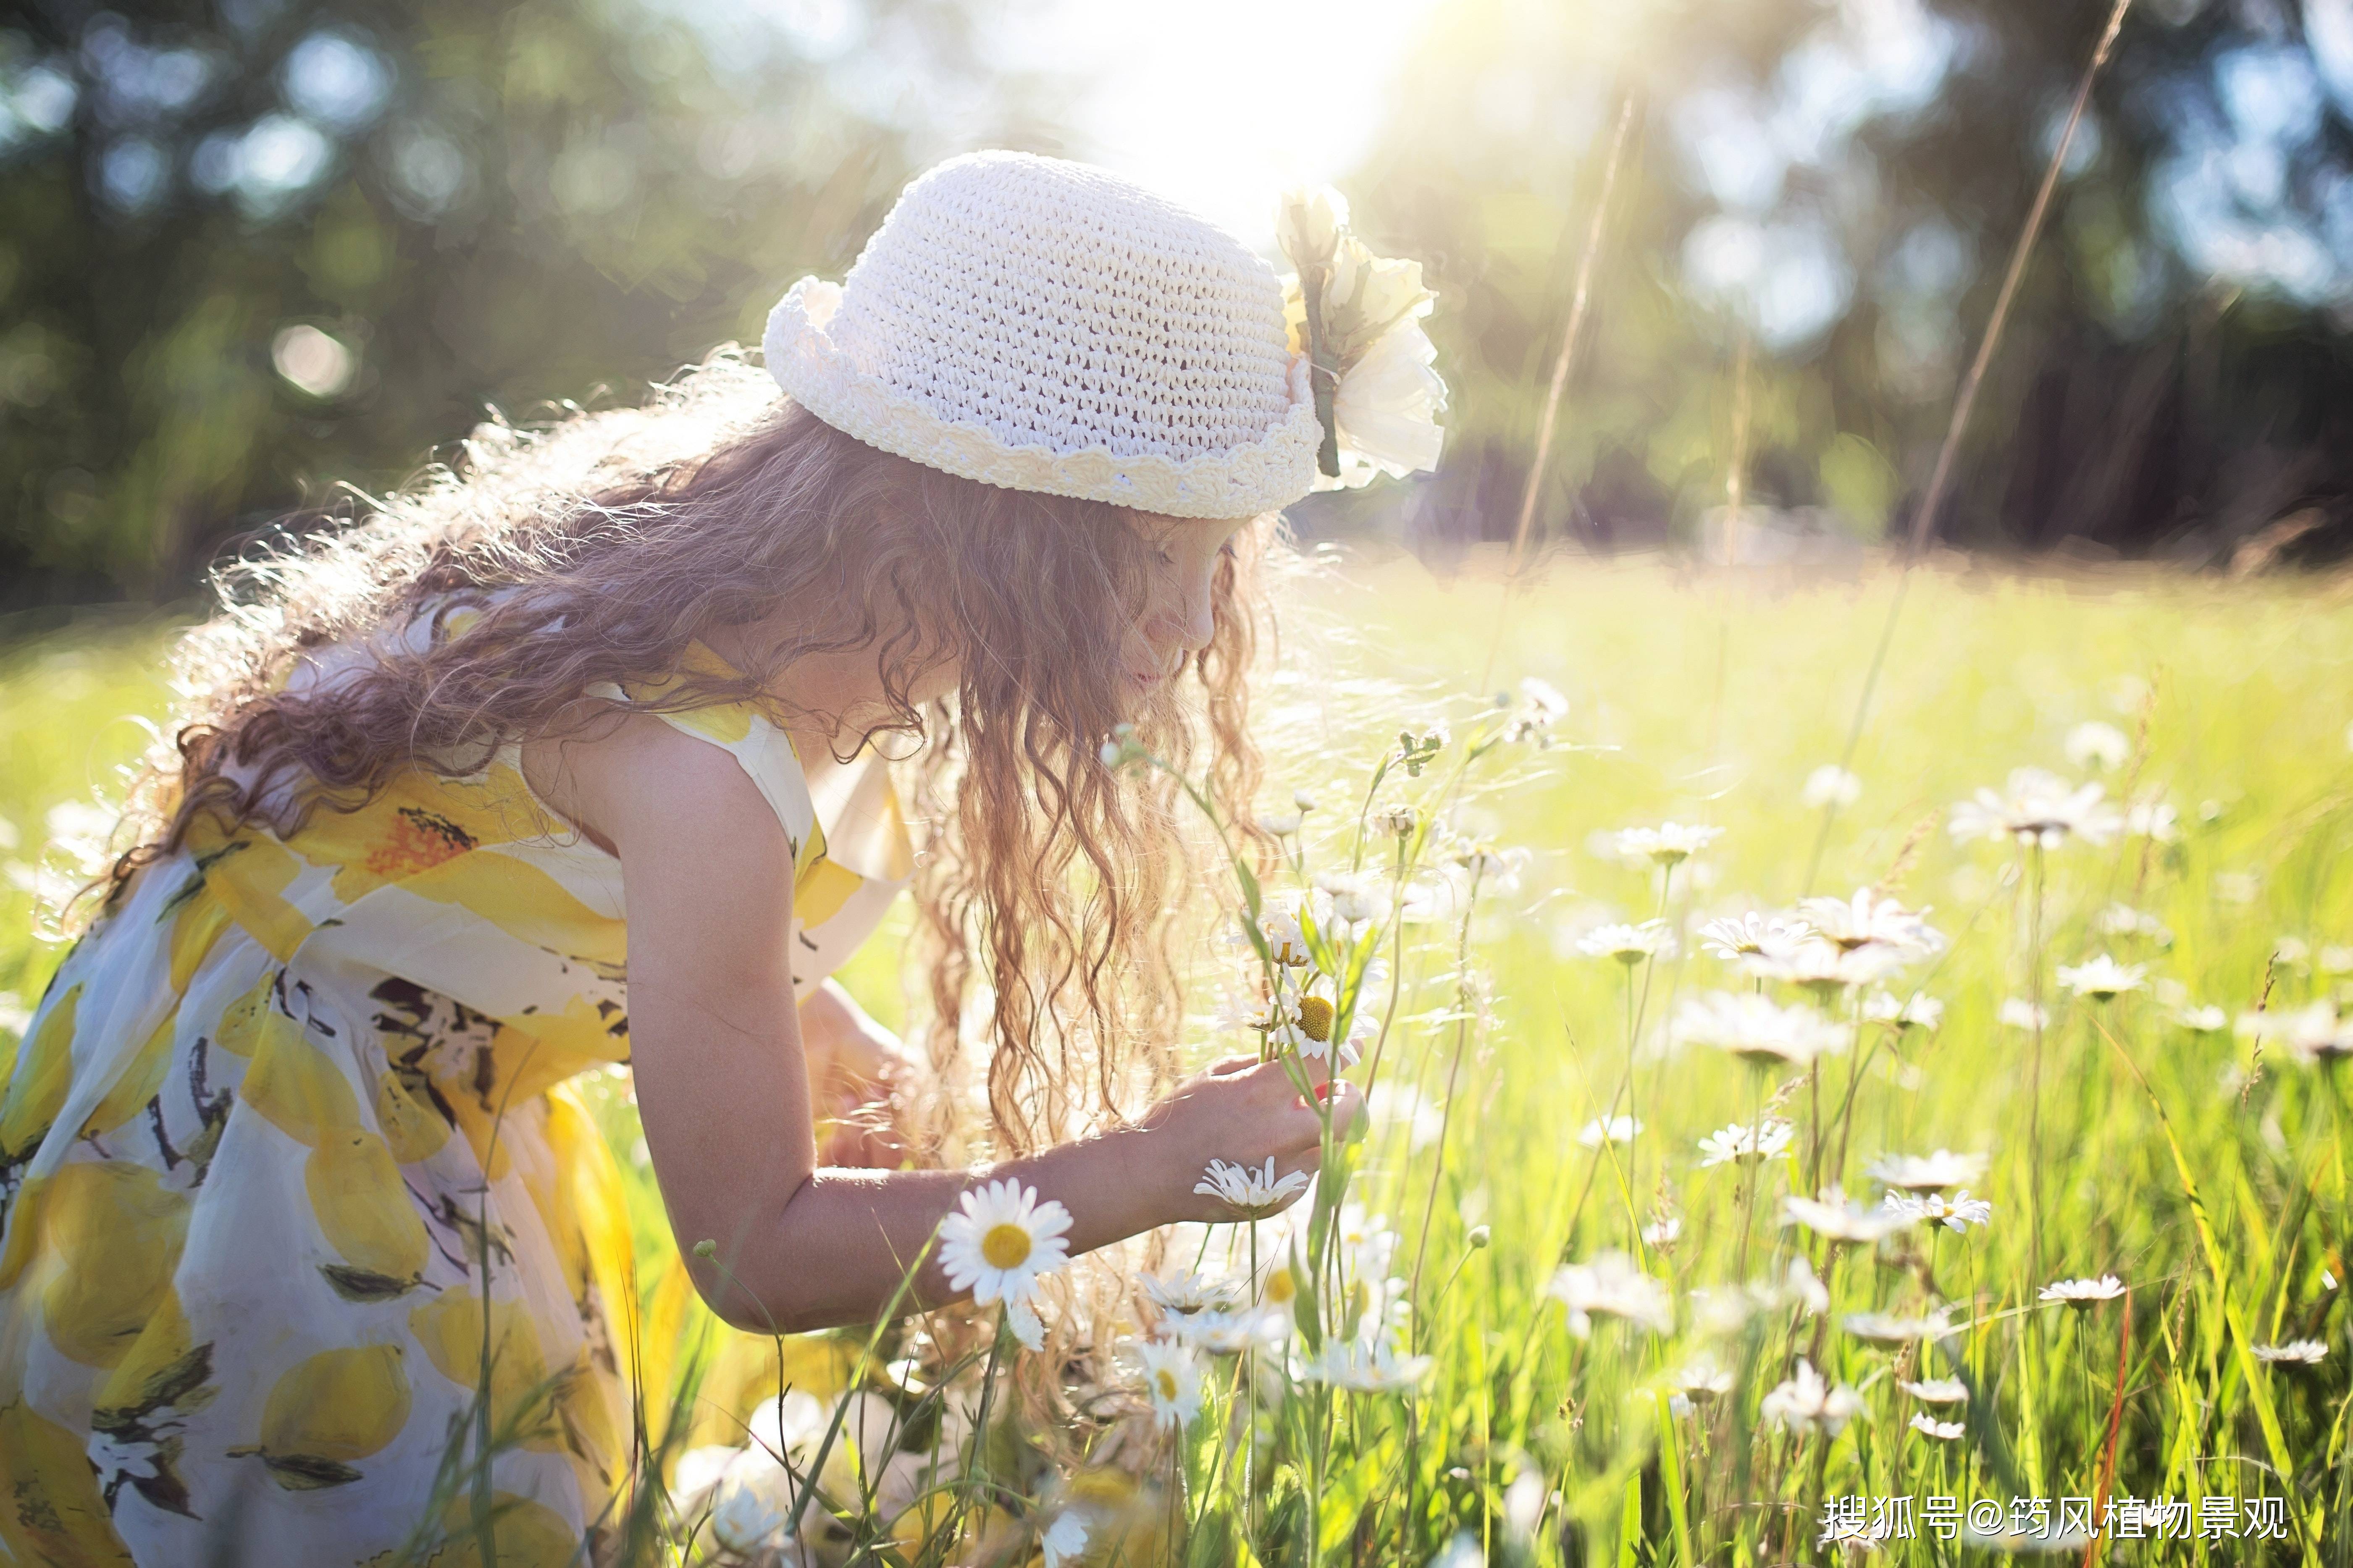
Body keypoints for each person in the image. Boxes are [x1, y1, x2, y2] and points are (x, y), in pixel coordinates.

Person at [0, 150, 1439, 1563]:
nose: (1196, 627)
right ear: (980, 529)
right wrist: (1148, 1166)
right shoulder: (704, 771)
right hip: (254, 1138)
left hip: (397, 1065)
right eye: (1150, 561)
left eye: (1219, 561)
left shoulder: (762, 599)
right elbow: (756, 1257)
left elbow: (483, 863)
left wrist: (799, 1017)